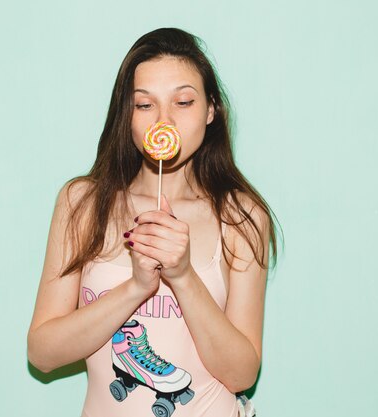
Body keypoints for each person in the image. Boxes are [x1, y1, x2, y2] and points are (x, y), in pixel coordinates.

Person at [27, 27, 278, 417]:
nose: (164, 119)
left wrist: (182, 275)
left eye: (183, 101)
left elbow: (242, 374)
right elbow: (42, 354)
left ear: (211, 110)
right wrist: (136, 287)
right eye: (144, 105)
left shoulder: (241, 217)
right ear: (126, 114)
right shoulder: (82, 204)